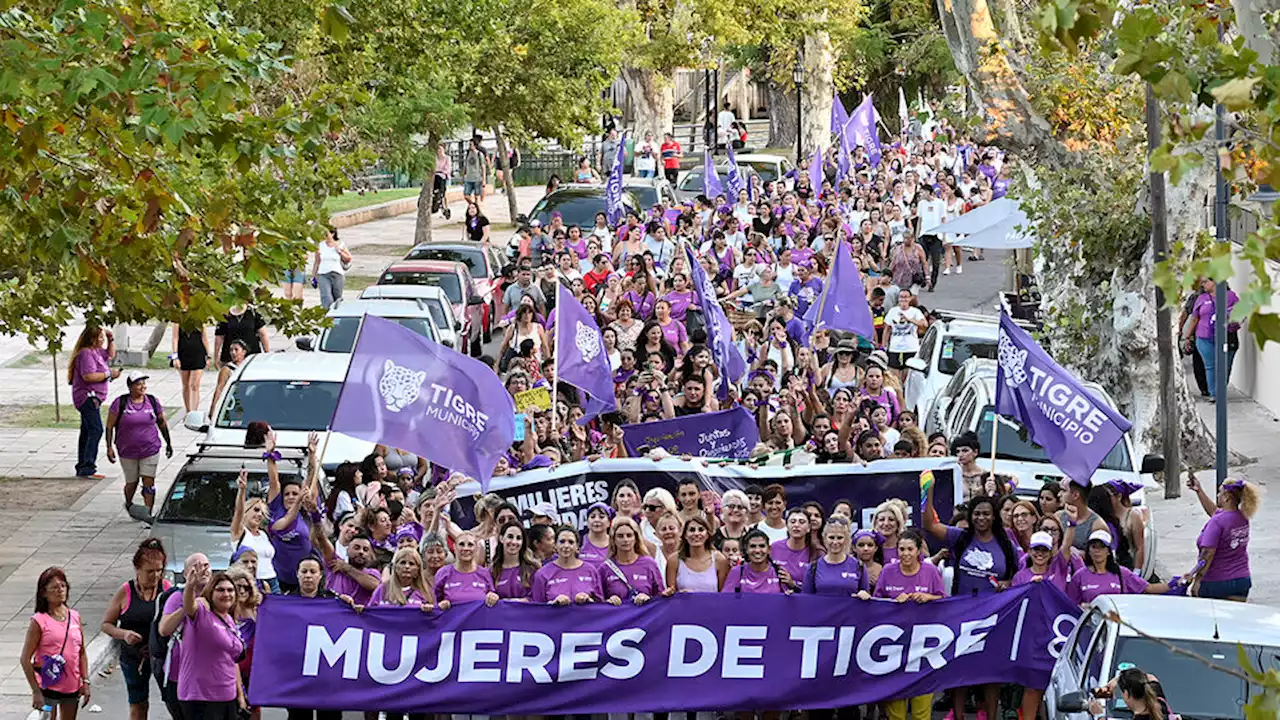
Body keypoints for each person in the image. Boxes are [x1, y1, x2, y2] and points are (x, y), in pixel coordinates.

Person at [923, 488, 1017, 720]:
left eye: (986, 513)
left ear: (994, 516)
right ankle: (959, 715)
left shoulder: (1006, 544)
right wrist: (930, 490)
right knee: (960, 668)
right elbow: (930, 525)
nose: (981, 518)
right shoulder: (961, 537)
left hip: (995, 614)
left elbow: (1015, 576)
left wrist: (1007, 582)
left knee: (990, 671)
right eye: (976, 514)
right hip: (963, 612)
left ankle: (992, 716)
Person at [874, 530, 944, 720]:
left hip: (924, 647)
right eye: (901, 549)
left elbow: (945, 602)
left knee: (921, 708)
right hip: (895, 647)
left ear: (918, 550)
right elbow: (876, 602)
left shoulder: (930, 571)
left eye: (910, 549)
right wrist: (894, 601)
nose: (905, 553)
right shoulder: (888, 571)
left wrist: (928, 597)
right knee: (896, 709)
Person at [100, 539, 169, 720]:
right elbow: (106, 624)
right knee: (138, 703)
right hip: (133, 657)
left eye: (159, 570)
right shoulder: (126, 591)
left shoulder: (167, 590)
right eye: (150, 571)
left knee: (174, 700)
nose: (155, 575)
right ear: (137, 569)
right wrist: (124, 634)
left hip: (162, 656)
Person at [177, 567, 247, 718]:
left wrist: (240, 695)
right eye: (220, 590)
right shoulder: (202, 612)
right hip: (200, 697)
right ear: (211, 593)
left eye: (230, 590)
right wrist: (190, 586)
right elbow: (189, 606)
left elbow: (232, 661)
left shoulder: (229, 619)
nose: (226, 594)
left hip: (227, 695)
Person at [21, 567, 90, 719]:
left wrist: (85, 680)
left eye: (63, 586)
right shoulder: (39, 621)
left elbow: (81, 652)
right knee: (46, 717)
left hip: (71, 687)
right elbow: (25, 659)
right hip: (47, 688)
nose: (60, 590)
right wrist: (36, 691)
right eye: (54, 587)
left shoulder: (75, 617)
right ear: (44, 593)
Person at [105, 370, 172, 516]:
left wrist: (168, 442)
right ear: (130, 387)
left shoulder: (152, 401)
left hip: (150, 448)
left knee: (148, 482)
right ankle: (129, 503)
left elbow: (161, 422)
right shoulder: (120, 403)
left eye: (143, 383)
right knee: (132, 482)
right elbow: (110, 425)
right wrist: (109, 447)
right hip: (127, 450)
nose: (142, 387)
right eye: (138, 384)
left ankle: (148, 513)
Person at [1184, 474, 1260, 600]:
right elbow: (1214, 511)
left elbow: (1207, 553)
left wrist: (1197, 580)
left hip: (1216, 582)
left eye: (1220, 493)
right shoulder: (1242, 517)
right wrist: (1199, 491)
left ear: (1226, 498)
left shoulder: (1217, 522)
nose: (1218, 496)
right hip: (1241, 580)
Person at [1067, 530, 1171, 605]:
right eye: (1094, 547)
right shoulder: (1079, 576)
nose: (1097, 551)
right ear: (1088, 550)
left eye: (1102, 547)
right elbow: (1070, 604)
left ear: (1108, 551)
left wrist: (1176, 582)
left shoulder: (1122, 573)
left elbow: (1149, 588)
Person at [69, 324, 119, 479]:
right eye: (100, 337)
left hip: (94, 397)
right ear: (91, 338)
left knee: (86, 430)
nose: (102, 340)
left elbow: (110, 355)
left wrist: (111, 340)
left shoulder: (95, 352)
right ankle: (88, 467)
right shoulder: (85, 354)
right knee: (96, 429)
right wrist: (108, 374)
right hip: (88, 397)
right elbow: (88, 376)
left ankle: (82, 465)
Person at [1184, 276, 1239, 401]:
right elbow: (1195, 318)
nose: (1203, 285)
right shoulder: (1201, 298)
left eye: (1205, 282)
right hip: (1204, 336)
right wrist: (1187, 336)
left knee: (1225, 366)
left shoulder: (1230, 296)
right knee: (1210, 366)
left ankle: (1220, 390)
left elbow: (1240, 312)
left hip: (1227, 336)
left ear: (1215, 281)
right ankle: (1214, 394)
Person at [230, 470, 280, 594]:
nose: (259, 515)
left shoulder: (263, 534)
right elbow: (238, 512)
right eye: (256, 510)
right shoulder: (240, 533)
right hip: (250, 582)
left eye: (262, 513)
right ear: (246, 512)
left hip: (272, 581)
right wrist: (242, 490)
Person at [531, 526, 604, 604]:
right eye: (562, 541)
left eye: (571, 542)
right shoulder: (542, 574)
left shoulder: (591, 570)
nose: (566, 546)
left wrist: (588, 599)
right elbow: (537, 609)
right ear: (555, 545)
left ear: (577, 546)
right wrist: (553, 604)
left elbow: (600, 605)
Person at [802, 515, 871, 598]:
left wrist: (864, 595)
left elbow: (867, 599)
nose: (835, 542)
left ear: (846, 539)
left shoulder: (859, 566)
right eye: (831, 537)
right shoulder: (813, 567)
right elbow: (806, 599)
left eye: (839, 537)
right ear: (824, 539)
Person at [603, 516, 664, 605]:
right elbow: (597, 601)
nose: (625, 540)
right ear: (613, 540)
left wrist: (648, 599)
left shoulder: (649, 564)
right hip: (618, 617)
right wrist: (608, 601)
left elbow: (661, 597)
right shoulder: (605, 568)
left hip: (645, 617)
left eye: (629, 535)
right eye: (620, 536)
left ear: (636, 538)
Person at [433, 530, 499, 610]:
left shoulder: (485, 573)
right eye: (461, 544)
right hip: (452, 621)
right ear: (454, 547)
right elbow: (434, 603)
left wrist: (493, 597)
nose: (466, 548)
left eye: (470, 545)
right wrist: (440, 605)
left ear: (476, 548)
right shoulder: (443, 573)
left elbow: (493, 597)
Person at [667, 515, 729, 592]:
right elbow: (671, 595)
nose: (696, 533)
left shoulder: (719, 559)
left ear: (707, 535)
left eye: (701, 529)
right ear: (685, 535)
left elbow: (723, 594)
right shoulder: (674, 560)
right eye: (692, 530)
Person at [721, 529, 790, 593]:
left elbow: (789, 599)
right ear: (746, 549)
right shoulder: (737, 571)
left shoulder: (778, 571)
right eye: (753, 546)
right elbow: (726, 599)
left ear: (769, 549)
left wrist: (792, 585)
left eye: (762, 546)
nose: (757, 550)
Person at [369, 547, 436, 607]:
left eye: (411, 564)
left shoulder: (426, 593)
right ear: (395, 567)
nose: (407, 566)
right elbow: (369, 614)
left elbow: (435, 616)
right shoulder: (382, 589)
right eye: (403, 562)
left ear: (418, 570)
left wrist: (429, 610)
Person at [771, 507, 817, 591]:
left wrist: (792, 585)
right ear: (787, 526)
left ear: (809, 528)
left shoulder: (816, 553)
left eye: (801, 522)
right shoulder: (774, 547)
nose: (796, 525)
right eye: (792, 522)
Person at [491, 520, 538, 600]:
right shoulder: (492, 571)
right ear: (501, 539)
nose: (514, 542)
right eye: (510, 536)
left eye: (518, 538)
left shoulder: (533, 569)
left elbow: (538, 598)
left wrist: (519, 602)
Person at [171, 323, 209, 414]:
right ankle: (188, 410)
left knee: (194, 385)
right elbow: (175, 338)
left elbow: (204, 337)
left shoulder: (199, 318)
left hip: (198, 353)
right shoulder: (178, 320)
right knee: (186, 384)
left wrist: (208, 355)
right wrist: (175, 356)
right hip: (183, 352)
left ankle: (194, 412)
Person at [312, 228, 352, 310]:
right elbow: (317, 262)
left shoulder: (340, 244)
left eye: (327, 234)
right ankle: (328, 316)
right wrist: (313, 276)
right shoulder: (320, 245)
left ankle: (337, 316)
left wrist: (340, 251)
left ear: (333, 234)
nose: (325, 236)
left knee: (337, 297)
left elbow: (348, 258)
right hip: (323, 274)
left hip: (337, 274)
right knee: (326, 297)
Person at [207, 338, 248, 418]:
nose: (233, 353)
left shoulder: (248, 366)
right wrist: (213, 409)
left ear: (244, 352)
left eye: (236, 350)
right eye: (231, 350)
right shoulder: (227, 369)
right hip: (234, 402)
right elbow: (219, 389)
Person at [462, 137, 488, 203]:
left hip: (477, 178)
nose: (469, 146)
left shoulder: (479, 154)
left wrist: (484, 179)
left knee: (477, 196)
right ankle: (473, 205)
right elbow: (465, 166)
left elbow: (483, 167)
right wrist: (463, 176)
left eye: (471, 144)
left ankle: (476, 207)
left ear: (475, 145)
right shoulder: (468, 154)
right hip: (468, 178)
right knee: (466, 195)